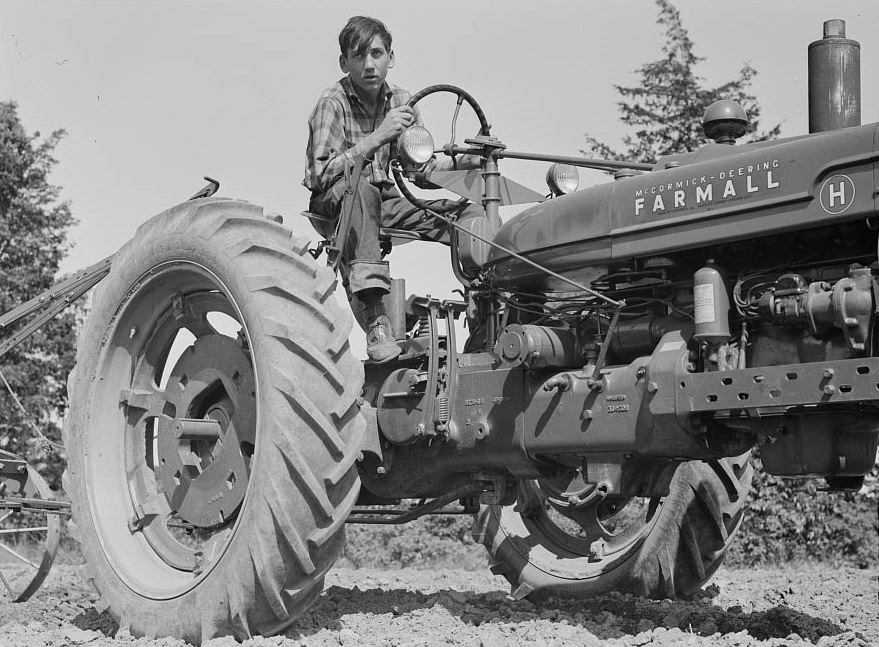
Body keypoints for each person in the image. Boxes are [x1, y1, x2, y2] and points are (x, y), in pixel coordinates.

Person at [303, 16, 485, 363]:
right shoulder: (332, 102)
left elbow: (421, 170)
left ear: (391, 57)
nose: (369, 64)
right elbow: (320, 174)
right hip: (335, 200)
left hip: (385, 198)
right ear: (345, 63)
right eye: (359, 56)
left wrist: (470, 162)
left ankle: (483, 317)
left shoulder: (403, 100)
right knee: (364, 191)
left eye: (376, 53)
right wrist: (377, 138)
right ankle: (377, 321)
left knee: (469, 215)